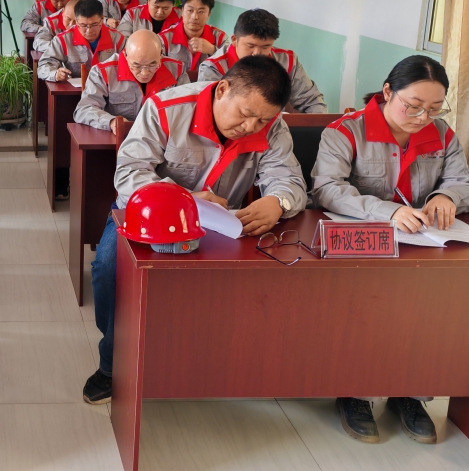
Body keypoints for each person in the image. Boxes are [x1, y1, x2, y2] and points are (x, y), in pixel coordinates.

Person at [83, 57, 307, 406]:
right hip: (148, 215)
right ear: (222, 89)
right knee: (110, 266)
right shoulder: (166, 108)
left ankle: (213, 364)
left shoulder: (273, 126)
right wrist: (182, 199)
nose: (251, 126)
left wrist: (278, 201)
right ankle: (112, 364)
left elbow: (290, 180)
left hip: (221, 222)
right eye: (246, 114)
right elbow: (129, 173)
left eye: (262, 120)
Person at [311, 55, 469, 446]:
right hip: (364, 248)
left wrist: (447, 196)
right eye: (413, 106)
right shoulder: (346, 131)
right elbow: (326, 189)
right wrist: (385, 211)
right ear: (388, 92)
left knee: (435, 309)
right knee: (369, 307)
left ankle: (410, 392)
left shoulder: (442, 134)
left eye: (434, 109)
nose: (424, 118)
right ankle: (355, 393)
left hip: (421, 246)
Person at [198, 8, 328, 114]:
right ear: (234, 40)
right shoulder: (213, 68)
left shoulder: (287, 61)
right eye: (250, 46)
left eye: (265, 47)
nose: (257, 53)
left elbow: (311, 101)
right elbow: (210, 112)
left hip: (276, 132)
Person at [74, 30, 188, 131]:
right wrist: (111, 122)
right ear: (125, 55)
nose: (144, 73)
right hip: (121, 140)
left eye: (152, 64)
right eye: (137, 65)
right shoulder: (103, 72)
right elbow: (84, 109)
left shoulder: (177, 70)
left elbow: (189, 109)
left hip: (165, 138)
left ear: (161, 53)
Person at [38, 0, 125, 83]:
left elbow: (129, 65)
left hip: (109, 88)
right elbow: (43, 66)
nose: (89, 30)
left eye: (94, 24)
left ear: (102, 19)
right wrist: (55, 74)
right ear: (76, 21)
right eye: (83, 25)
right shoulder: (63, 39)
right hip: (74, 90)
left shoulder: (118, 39)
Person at [159, 0, 227, 80]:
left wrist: (212, 50)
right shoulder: (164, 38)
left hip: (208, 87)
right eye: (190, 10)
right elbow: (156, 68)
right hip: (175, 87)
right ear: (182, 11)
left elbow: (232, 67)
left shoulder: (219, 37)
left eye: (201, 12)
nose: (195, 17)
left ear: (209, 14)